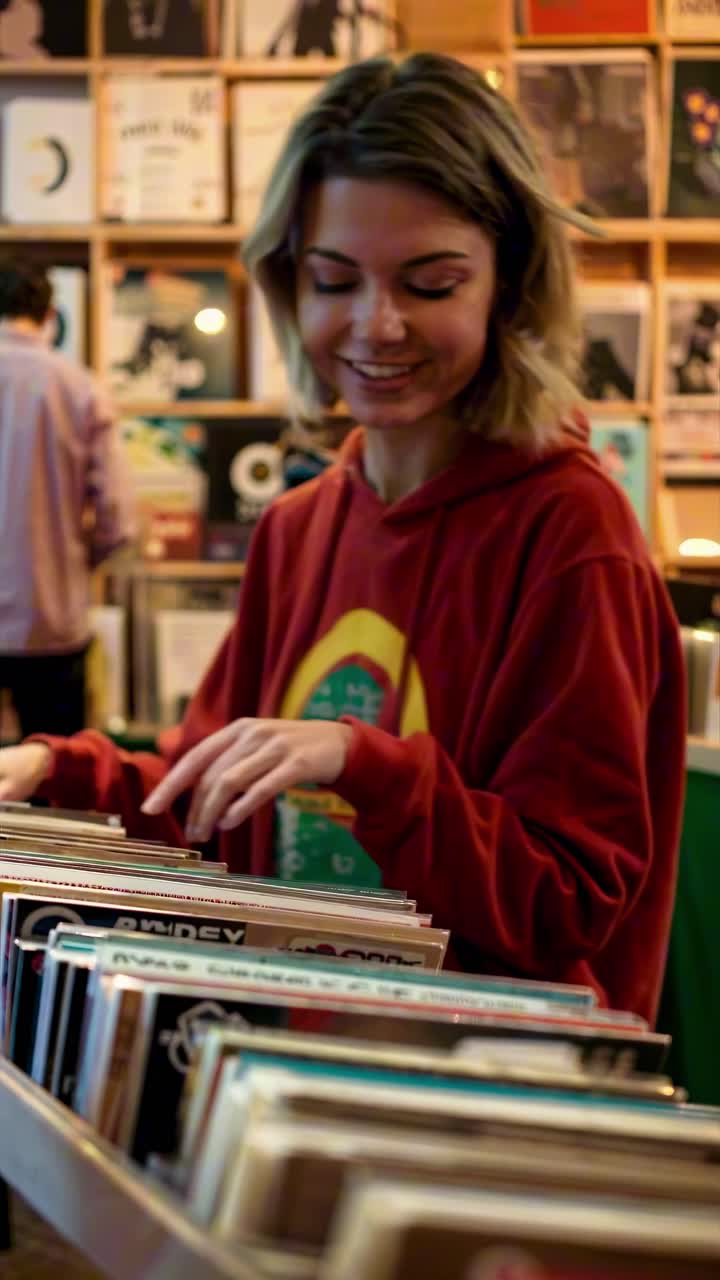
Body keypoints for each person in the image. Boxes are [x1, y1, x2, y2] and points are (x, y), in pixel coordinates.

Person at [0, 55, 685, 1023]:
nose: (377, 324)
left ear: (509, 285)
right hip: (284, 1067)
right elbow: (216, 801)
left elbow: (567, 901)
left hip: (471, 1112)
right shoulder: (300, 525)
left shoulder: (573, 532)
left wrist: (362, 763)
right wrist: (58, 773)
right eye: (333, 279)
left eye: (431, 282)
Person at [0, 257, 134, 737]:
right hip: (51, 619)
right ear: (50, 315)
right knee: (53, 779)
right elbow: (118, 518)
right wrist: (74, 562)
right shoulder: (80, 387)